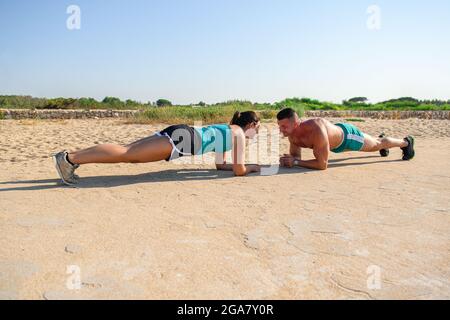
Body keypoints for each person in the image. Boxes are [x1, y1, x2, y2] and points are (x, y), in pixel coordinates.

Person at [53, 111, 261, 185]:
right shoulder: (239, 134)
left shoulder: (227, 130)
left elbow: (220, 165)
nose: (257, 133)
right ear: (251, 125)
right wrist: (252, 167)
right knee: (126, 154)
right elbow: (239, 171)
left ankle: (70, 159)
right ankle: (69, 159)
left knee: (127, 152)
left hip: (182, 133)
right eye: (257, 129)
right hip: (185, 140)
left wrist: (236, 166)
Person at [276, 108, 415, 170]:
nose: (281, 130)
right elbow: (295, 157)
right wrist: (290, 160)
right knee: (376, 142)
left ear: (296, 124)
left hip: (348, 137)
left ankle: (406, 142)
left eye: (284, 126)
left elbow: (322, 165)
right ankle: (383, 142)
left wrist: (295, 161)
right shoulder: (292, 134)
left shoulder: (316, 129)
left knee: (376, 144)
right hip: (334, 138)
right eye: (279, 126)